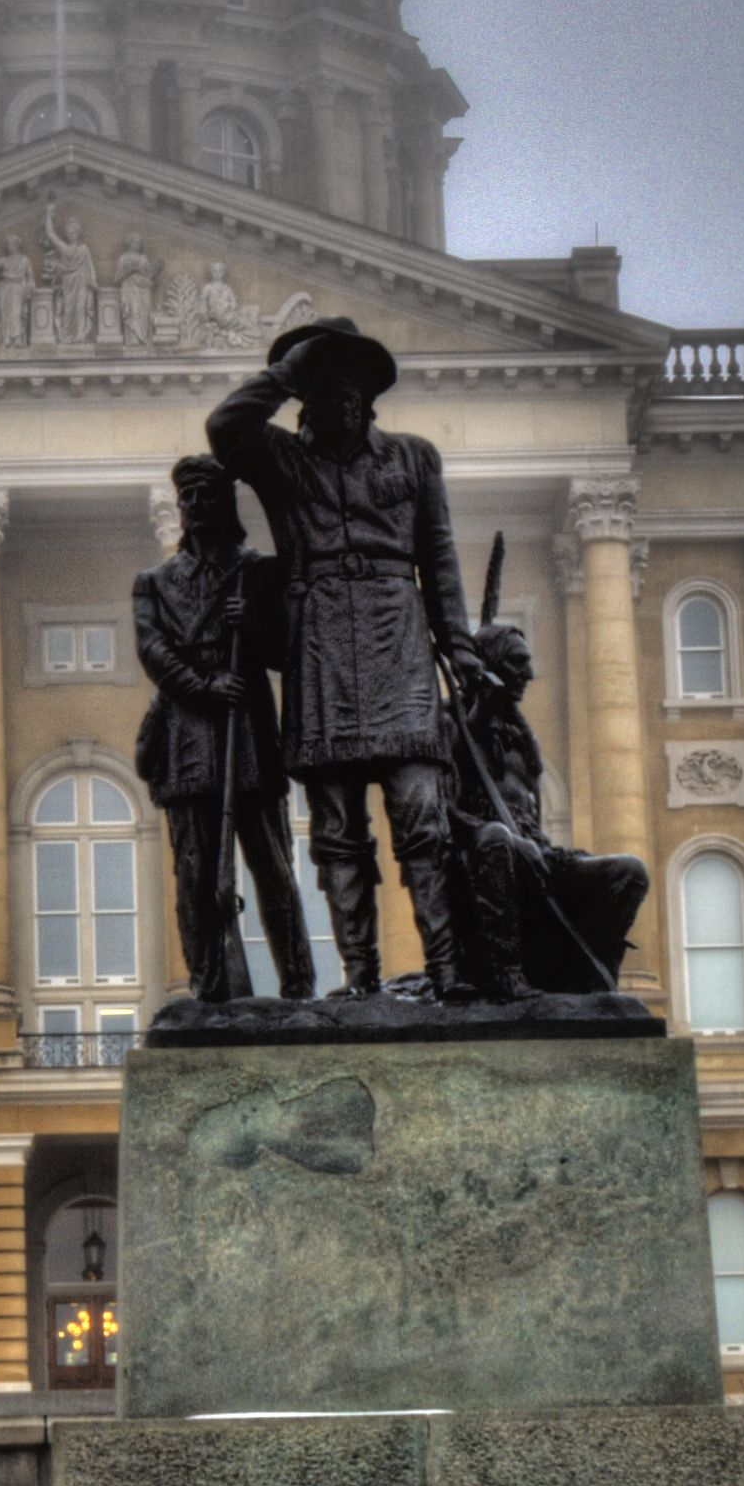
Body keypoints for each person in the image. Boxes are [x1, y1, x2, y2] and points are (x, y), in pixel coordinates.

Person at [204, 316, 485, 999]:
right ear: (304, 397)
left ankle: (448, 971)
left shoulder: (414, 458)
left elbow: (439, 558)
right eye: (319, 387)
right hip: (320, 642)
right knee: (335, 831)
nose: (335, 400)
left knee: (422, 814)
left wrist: (459, 645)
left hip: (397, 637)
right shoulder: (281, 458)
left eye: (345, 384)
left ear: (366, 393)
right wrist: (282, 372)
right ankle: (361, 980)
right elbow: (223, 429)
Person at [131, 455, 311, 1006]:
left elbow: (286, 652)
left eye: (206, 495)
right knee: (195, 872)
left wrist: (250, 625)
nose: (196, 506)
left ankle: (298, 985)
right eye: (187, 498)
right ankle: (209, 985)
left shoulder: (256, 571)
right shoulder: (155, 583)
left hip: (249, 731)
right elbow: (153, 650)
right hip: (188, 733)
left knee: (272, 866)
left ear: (224, 502)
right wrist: (204, 687)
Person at [446, 615, 648, 995]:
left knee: (628, 872)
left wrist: (530, 844)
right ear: (488, 668)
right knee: (495, 839)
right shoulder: (450, 725)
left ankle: (590, 984)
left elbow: (531, 814)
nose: (529, 673)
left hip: (534, 857)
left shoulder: (521, 736)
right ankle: (506, 975)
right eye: (518, 663)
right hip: (476, 862)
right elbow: (438, 812)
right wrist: (502, 837)